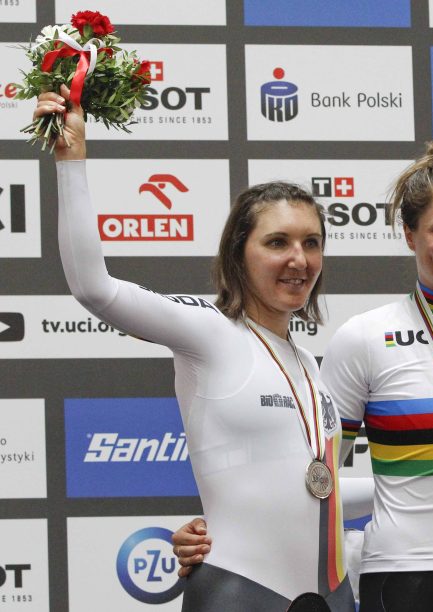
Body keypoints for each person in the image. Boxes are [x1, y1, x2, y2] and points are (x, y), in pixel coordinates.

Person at [175, 141, 433, 611]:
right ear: (409, 233)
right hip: (400, 578)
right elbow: (314, 482)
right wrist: (224, 530)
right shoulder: (364, 337)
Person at [36, 88, 359, 611]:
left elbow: (322, 490)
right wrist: (72, 160)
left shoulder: (305, 364)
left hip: (332, 595)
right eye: (277, 242)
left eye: (312, 242)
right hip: (241, 592)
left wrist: (432, 478)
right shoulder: (207, 331)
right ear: (239, 251)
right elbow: (95, 288)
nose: (298, 258)